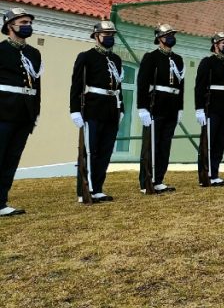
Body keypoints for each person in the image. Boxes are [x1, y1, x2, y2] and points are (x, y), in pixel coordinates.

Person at [69, 20, 124, 203]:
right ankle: (85, 189)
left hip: (112, 108)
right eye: (106, 35)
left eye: (112, 35)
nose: (110, 38)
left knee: (105, 150)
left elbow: (118, 86)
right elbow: (76, 86)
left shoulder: (116, 59)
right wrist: (75, 110)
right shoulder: (86, 57)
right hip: (93, 107)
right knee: (90, 150)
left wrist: (121, 107)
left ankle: (98, 188)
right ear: (96, 36)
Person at [0, 8, 41, 217]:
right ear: (10, 26)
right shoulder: (1, 50)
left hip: (25, 113)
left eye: (29, 22)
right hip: (3, 111)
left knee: (12, 159)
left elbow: (37, 85)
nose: (27, 26)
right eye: (23, 22)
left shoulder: (34, 53)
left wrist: (36, 112)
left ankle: (1, 202)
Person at [137, 23, 185, 194]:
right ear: (159, 38)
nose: (171, 38)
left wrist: (180, 108)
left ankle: (158, 180)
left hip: (172, 106)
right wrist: (142, 108)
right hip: (155, 105)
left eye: (172, 35)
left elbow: (181, 86)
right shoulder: (151, 57)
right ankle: (146, 182)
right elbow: (142, 84)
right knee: (151, 145)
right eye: (168, 35)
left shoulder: (178, 59)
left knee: (165, 145)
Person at [195, 31, 224, 187]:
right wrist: (199, 108)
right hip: (212, 107)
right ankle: (204, 176)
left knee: (220, 142)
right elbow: (200, 87)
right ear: (215, 45)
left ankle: (214, 174)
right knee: (208, 142)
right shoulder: (208, 62)